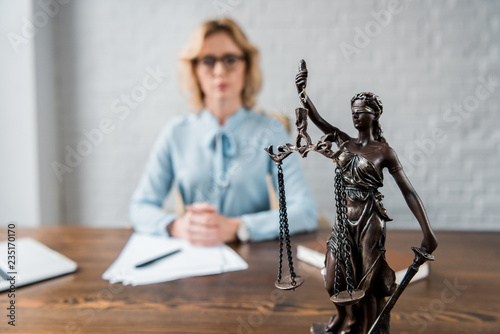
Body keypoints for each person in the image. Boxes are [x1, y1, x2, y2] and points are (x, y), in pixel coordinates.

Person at [129, 18, 318, 246]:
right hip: (193, 258)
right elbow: (139, 208)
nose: (220, 71)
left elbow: (305, 211)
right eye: (208, 61)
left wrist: (239, 227)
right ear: (195, 69)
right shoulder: (175, 133)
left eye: (230, 60)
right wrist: (177, 226)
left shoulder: (270, 130)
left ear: (246, 65)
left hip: (253, 263)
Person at [295, 68, 438, 334]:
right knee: (332, 278)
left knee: (367, 283)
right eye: (352, 112)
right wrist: (303, 95)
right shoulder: (344, 141)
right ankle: (342, 315)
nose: (355, 116)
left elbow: (408, 191)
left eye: (360, 111)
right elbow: (318, 120)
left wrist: (427, 231)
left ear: (374, 114)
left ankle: (360, 326)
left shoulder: (385, 152)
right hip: (344, 219)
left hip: (370, 219)